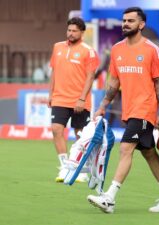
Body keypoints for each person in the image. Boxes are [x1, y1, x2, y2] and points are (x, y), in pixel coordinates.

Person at [87, 7, 159, 213]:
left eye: (130, 20)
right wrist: (103, 106)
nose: (125, 24)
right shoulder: (117, 49)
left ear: (141, 24)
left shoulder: (152, 50)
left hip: (145, 109)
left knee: (125, 149)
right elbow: (113, 82)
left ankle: (109, 198)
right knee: (148, 153)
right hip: (129, 110)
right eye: (124, 20)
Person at [48, 17, 100, 182]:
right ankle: (64, 167)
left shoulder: (89, 51)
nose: (70, 33)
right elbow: (54, 72)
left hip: (79, 100)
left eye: (74, 31)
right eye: (69, 30)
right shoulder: (57, 47)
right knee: (56, 129)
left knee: (80, 135)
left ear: (82, 32)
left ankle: (82, 169)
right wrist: (51, 94)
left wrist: (81, 99)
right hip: (59, 98)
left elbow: (90, 77)